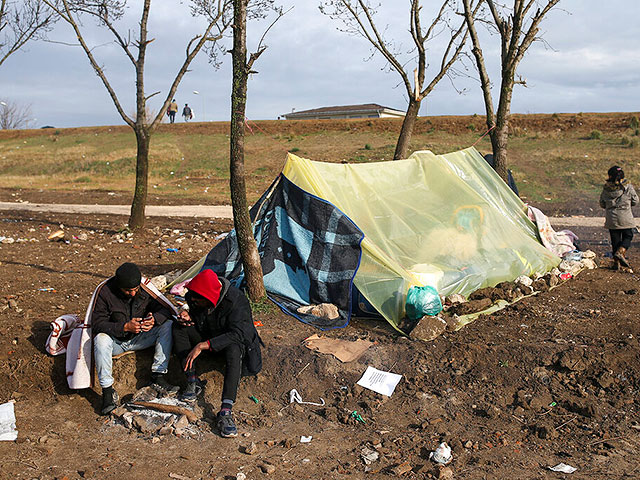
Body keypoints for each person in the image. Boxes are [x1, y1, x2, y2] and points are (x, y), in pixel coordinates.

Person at [173, 269, 263, 438]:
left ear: (209, 299)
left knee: (234, 348)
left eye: (198, 301)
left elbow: (239, 334)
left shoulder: (236, 301)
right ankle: (193, 381)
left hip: (230, 344)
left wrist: (204, 345)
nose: (193, 301)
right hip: (208, 337)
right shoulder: (195, 296)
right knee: (179, 328)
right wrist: (189, 316)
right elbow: (197, 313)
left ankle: (226, 411)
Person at [92, 262, 178, 415]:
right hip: (116, 342)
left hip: (140, 338)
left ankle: (158, 376)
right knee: (100, 339)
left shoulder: (144, 289)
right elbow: (97, 324)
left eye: (135, 290)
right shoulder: (105, 292)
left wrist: (154, 319)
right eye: (127, 291)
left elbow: (165, 309)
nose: (132, 294)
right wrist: (124, 327)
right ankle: (107, 392)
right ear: (119, 287)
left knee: (168, 325)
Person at [600, 165, 638, 272]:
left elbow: (602, 203)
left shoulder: (606, 188)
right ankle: (621, 252)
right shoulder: (628, 187)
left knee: (615, 240)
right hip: (626, 218)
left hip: (612, 219)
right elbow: (635, 201)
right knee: (628, 236)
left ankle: (616, 263)